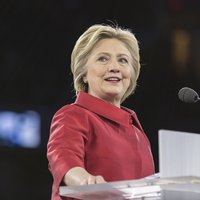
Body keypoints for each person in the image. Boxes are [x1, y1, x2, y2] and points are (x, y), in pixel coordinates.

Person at [47, 24, 155, 200]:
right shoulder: (72, 115)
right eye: (103, 59)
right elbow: (62, 158)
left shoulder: (138, 133)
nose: (115, 67)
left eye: (123, 60)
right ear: (83, 73)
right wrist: (85, 181)